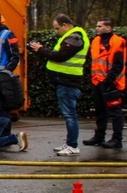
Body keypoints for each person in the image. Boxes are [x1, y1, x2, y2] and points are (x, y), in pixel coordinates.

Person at [28, 14, 89, 156]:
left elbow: (60, 56)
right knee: (69, 114)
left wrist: (41, 49)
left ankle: (72, 145)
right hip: (65, 81)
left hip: (68, 82)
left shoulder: (74, 38)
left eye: (57, 28)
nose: (56, 32)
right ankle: (69, 143)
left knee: (70, 115)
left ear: (65, 25)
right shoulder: (73, 37)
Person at [83, 17, 126, 149]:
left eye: (99, 26)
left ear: (109, 27)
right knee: (100, 111)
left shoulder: (118, 42)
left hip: (111, 82)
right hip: (97, 81)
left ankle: (117, 139)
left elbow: (118, 65)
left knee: (115, 112)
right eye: (97, 26)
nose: (97, 28)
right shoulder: (96, 41)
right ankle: (99, 136)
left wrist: (109, 80)